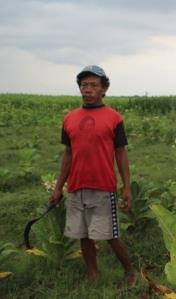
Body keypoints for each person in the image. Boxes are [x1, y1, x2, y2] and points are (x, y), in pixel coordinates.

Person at [50, 65, 136, 286]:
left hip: (104, 186)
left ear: (104, 89)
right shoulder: (69, 119)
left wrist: (127, 187)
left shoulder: (114, 118)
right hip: (76, 186)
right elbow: (68, 154)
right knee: (84, 235)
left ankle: (129, 273)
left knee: (110, 234)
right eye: (84, 85)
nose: (88, 89)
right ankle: (93, 275)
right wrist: (59, 186)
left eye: (93, 85)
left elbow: (121, 153)